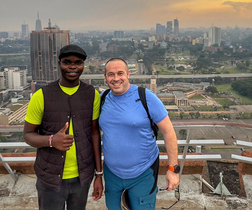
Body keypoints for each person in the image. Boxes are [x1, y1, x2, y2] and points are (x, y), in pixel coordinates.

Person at [23, 44, 103, 210]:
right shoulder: (41, 95)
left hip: (82, 177)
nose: (73, 66)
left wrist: (98, 174)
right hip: (50, 179)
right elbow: (28, 135)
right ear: (59, 64)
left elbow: (94, 133)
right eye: (67, 62)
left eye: (78, 62)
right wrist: (51, 140)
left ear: (83, 65)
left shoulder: (92, 94)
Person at [99, 58, 180, 210]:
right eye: (111, 74)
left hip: (143, 173)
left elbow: (168, 131)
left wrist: (172, 170)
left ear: (128, 74)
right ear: (105, 77)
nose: (116, 79)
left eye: (120, 73)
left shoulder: (146, 97)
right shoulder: (102, 99)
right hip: (112, 173)